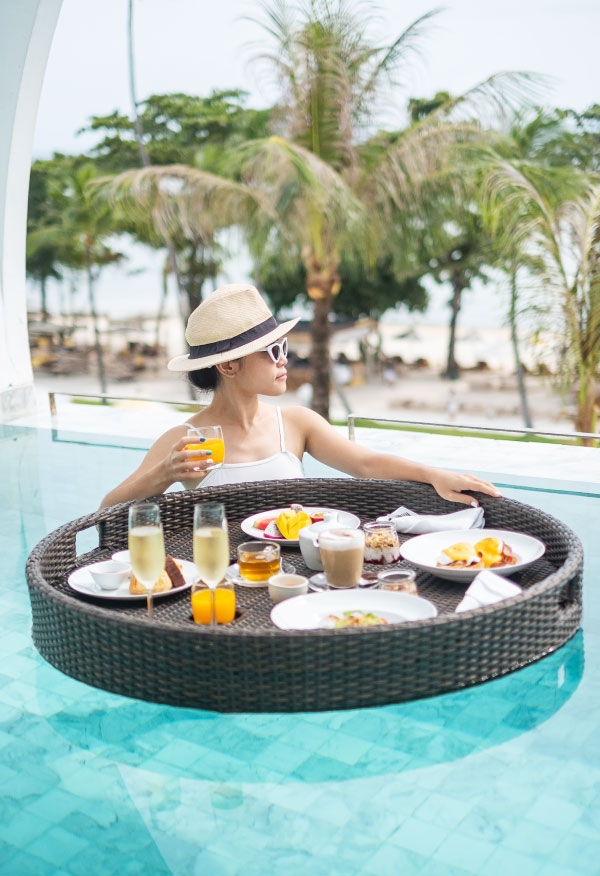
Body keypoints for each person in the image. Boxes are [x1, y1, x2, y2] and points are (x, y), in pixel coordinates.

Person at [99, 283, 501, 509]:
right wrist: (165, 474)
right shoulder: (185, 441)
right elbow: (106, 510)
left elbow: (364, 463)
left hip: (294, 577)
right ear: (228, 366)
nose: (284, 359)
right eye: (272, 351)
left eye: (284, 346)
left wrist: (433, 475)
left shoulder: (294, 423)